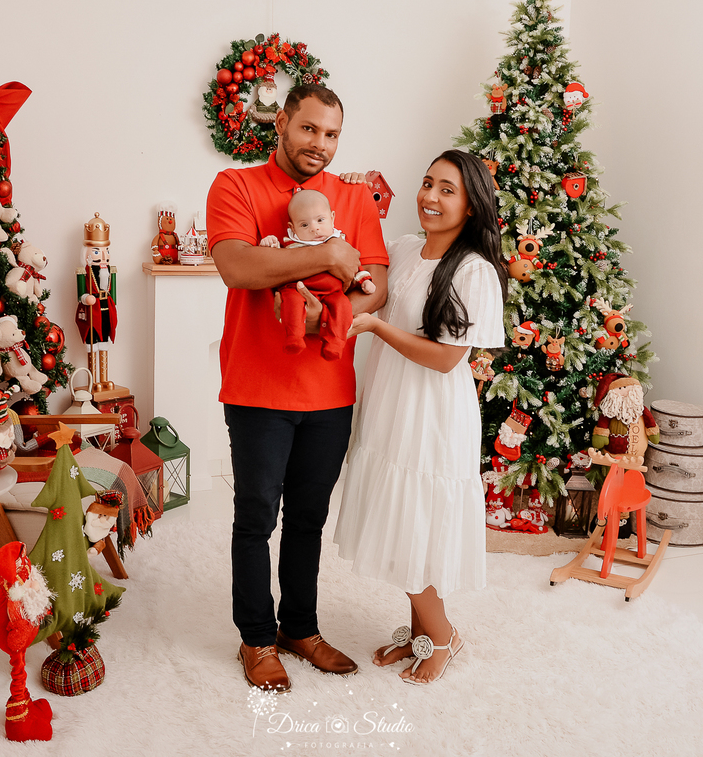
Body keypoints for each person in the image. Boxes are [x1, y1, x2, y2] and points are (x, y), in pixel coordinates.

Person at [206, 84, 389, 693]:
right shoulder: (235, 186)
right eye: (309, 129)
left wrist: (335, 302)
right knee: (255, 516)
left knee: (308, 518)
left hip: (332, 388)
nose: (320, 145)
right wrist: (329, 257)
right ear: (282, 123)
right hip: (258, 386)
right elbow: (238, 267)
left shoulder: (355, 198)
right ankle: (256, 638)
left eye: (332, 134)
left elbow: (375, 285)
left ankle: (299, 628)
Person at [334, 149, 507, 685]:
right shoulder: (406, 248)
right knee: (398, 516)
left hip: (432, 412)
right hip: (392, 402)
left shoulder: (474, 271)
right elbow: (364, 279)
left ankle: (445, 634)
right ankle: (418, 635)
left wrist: (379, 329)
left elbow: (448, 356)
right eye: (428, 183)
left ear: (472, 206)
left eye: (447, 189)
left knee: (416, 522)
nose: (430, 197)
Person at [260, 188, 376, 359]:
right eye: (304, 225)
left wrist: (364, 281)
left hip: (332, 292)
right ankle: (294, 337)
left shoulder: (339, 243)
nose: (315, 229)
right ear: (292, 227)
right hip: (297, 288)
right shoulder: (292, 243)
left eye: (320, 220)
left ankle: (336, 342)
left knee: (343, 307)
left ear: (332, 218)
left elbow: (354, 266)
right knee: (290, 301)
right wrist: (269, 243)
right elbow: (277, 260)